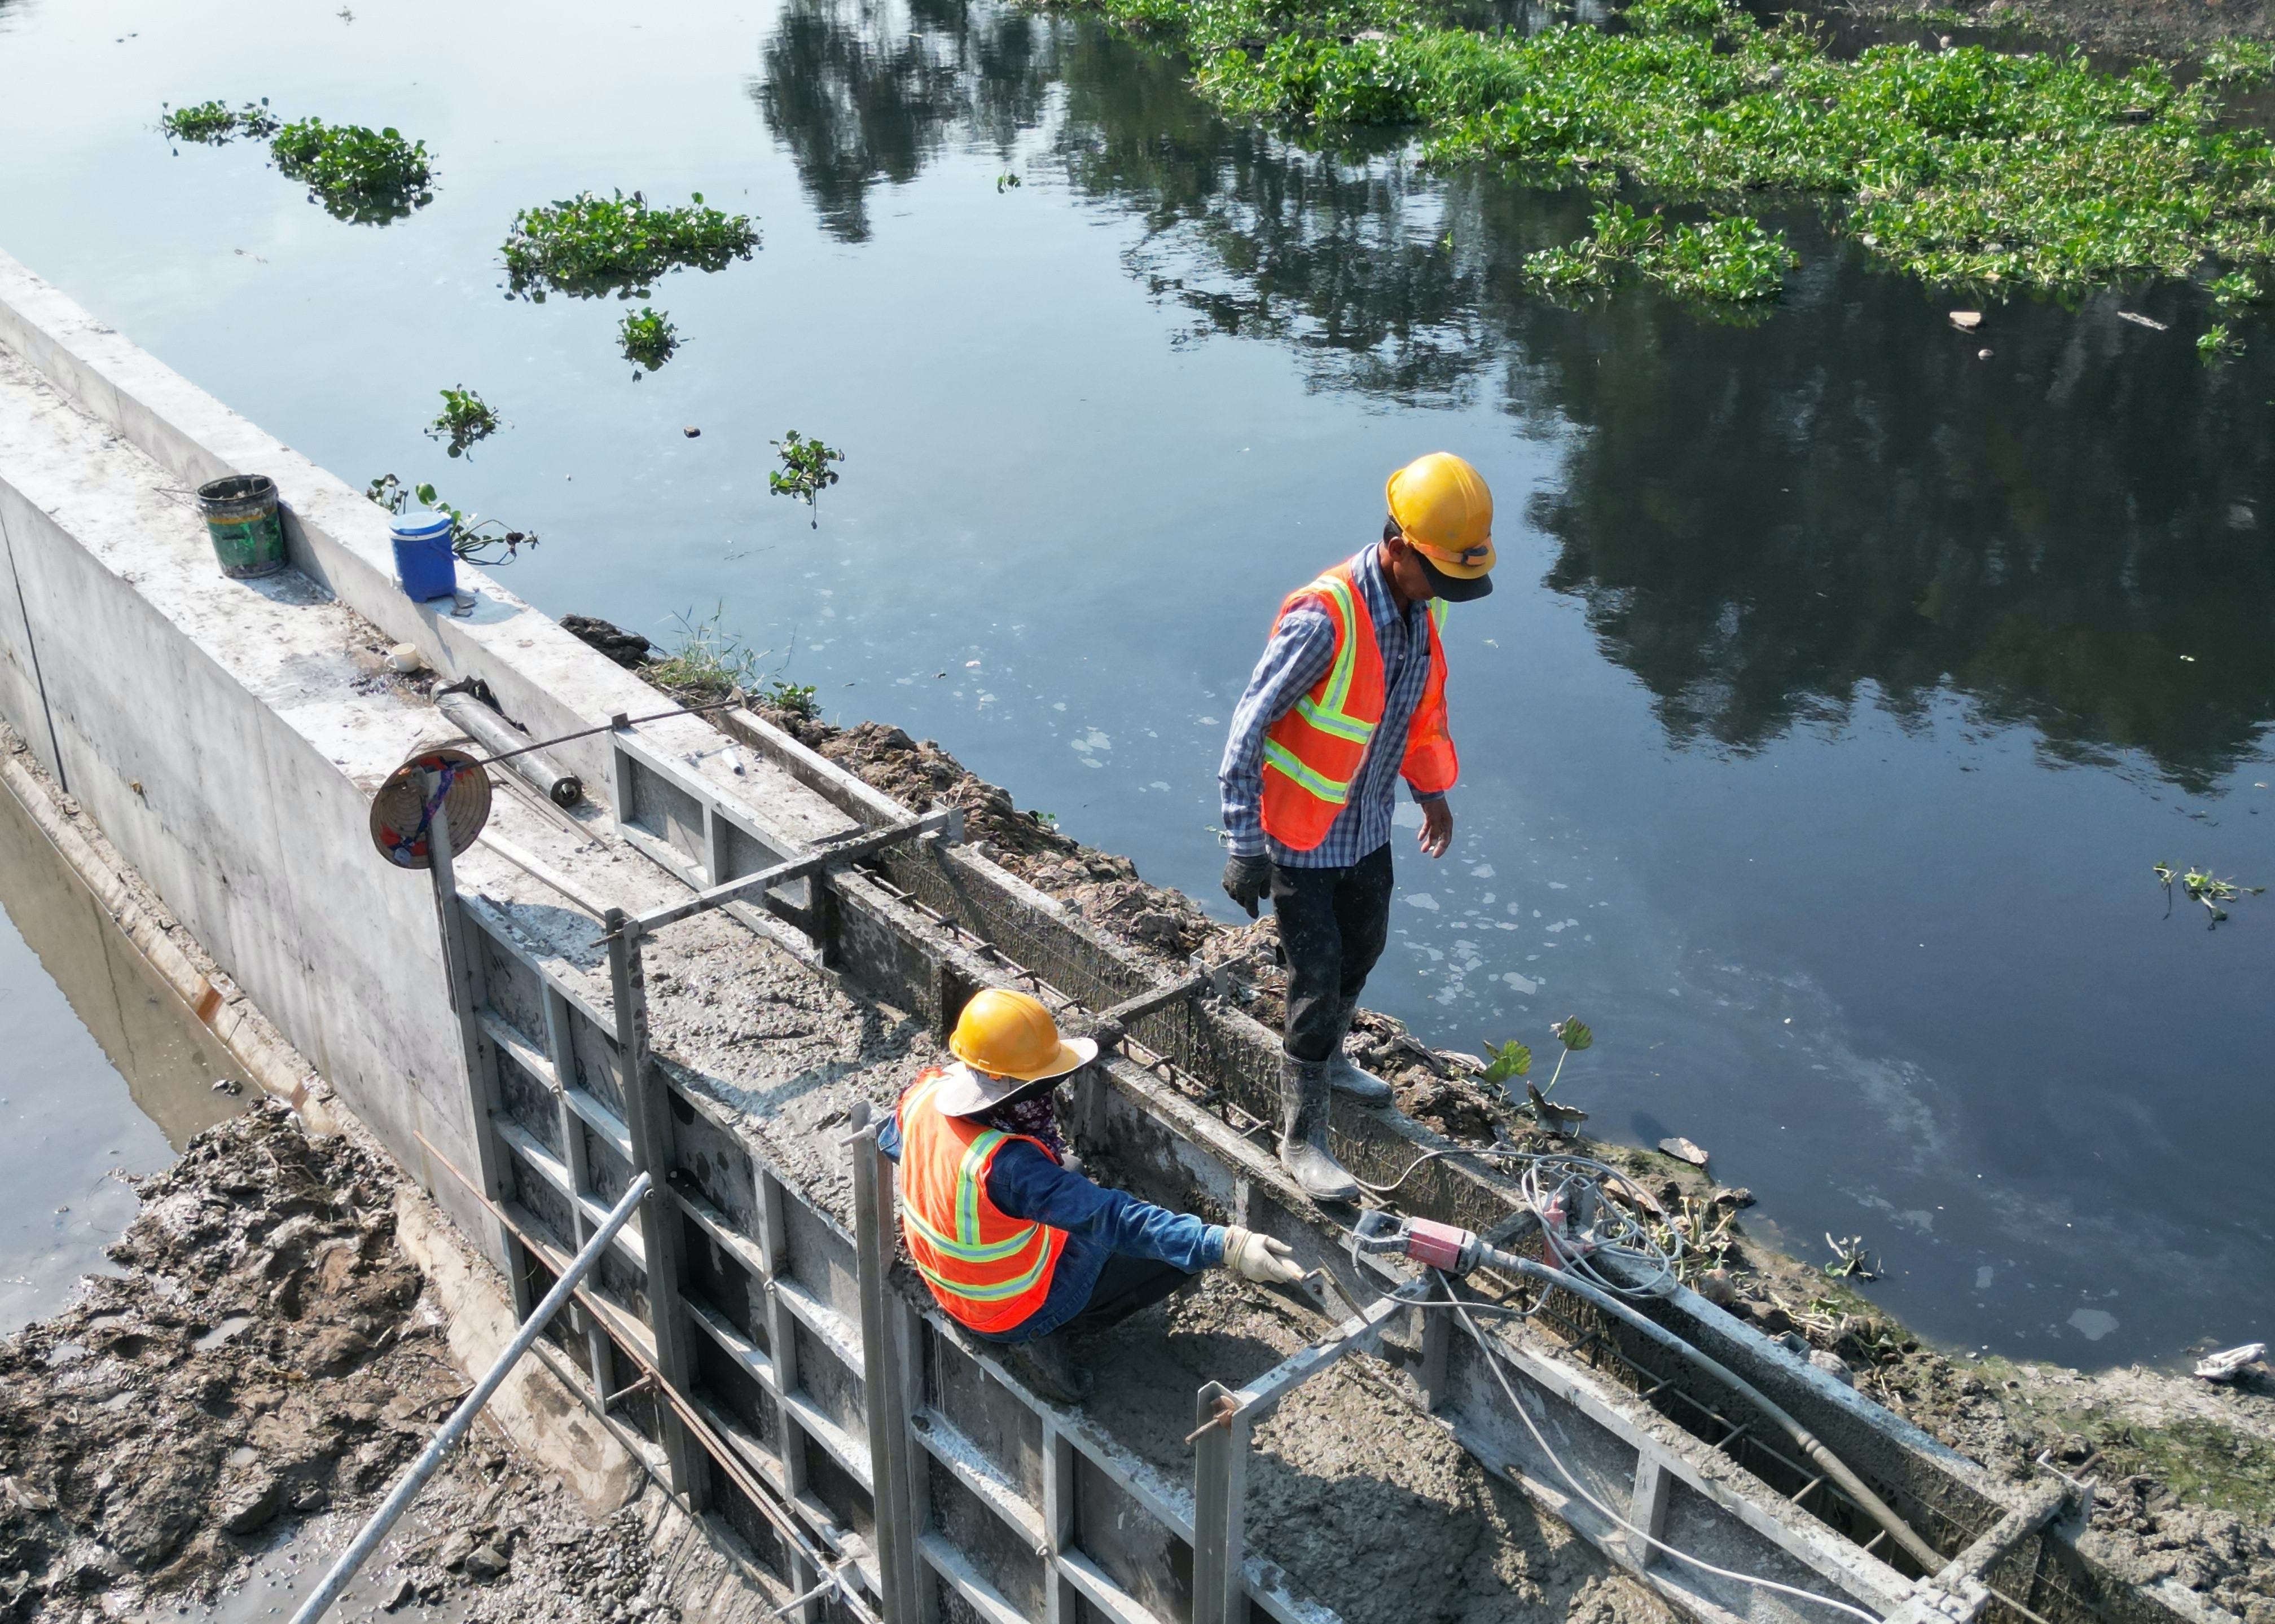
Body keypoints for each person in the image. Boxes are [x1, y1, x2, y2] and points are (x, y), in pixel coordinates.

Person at [1218, 451, 1496, 1202]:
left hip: (1369, 822)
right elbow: (1247, 727)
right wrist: (1244, 843)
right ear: (1400, 547)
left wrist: (1432, 792)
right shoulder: (1326, 615)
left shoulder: (1420, 606)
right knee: (1315, 973)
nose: (1447, 592)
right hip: (1303, 835)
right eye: (1439, 575)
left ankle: (1332, 1059)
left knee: (1364, 945)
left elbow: (1418, 711)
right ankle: (1301, 1134)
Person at [881, 987, 1307, 1400]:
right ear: (1013, 1090)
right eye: (1043, 1079)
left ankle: (1028, 1308)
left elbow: (892, 1142)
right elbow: (1112, 1217)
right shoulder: (1009, 1168)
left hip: (946, 1277)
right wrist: (1224, 1244)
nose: (1049, 1090)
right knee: (1173, 1251)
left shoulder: (925, 1094)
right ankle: (1041, 1333)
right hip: (1003, 1308)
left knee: (1072, 1171)